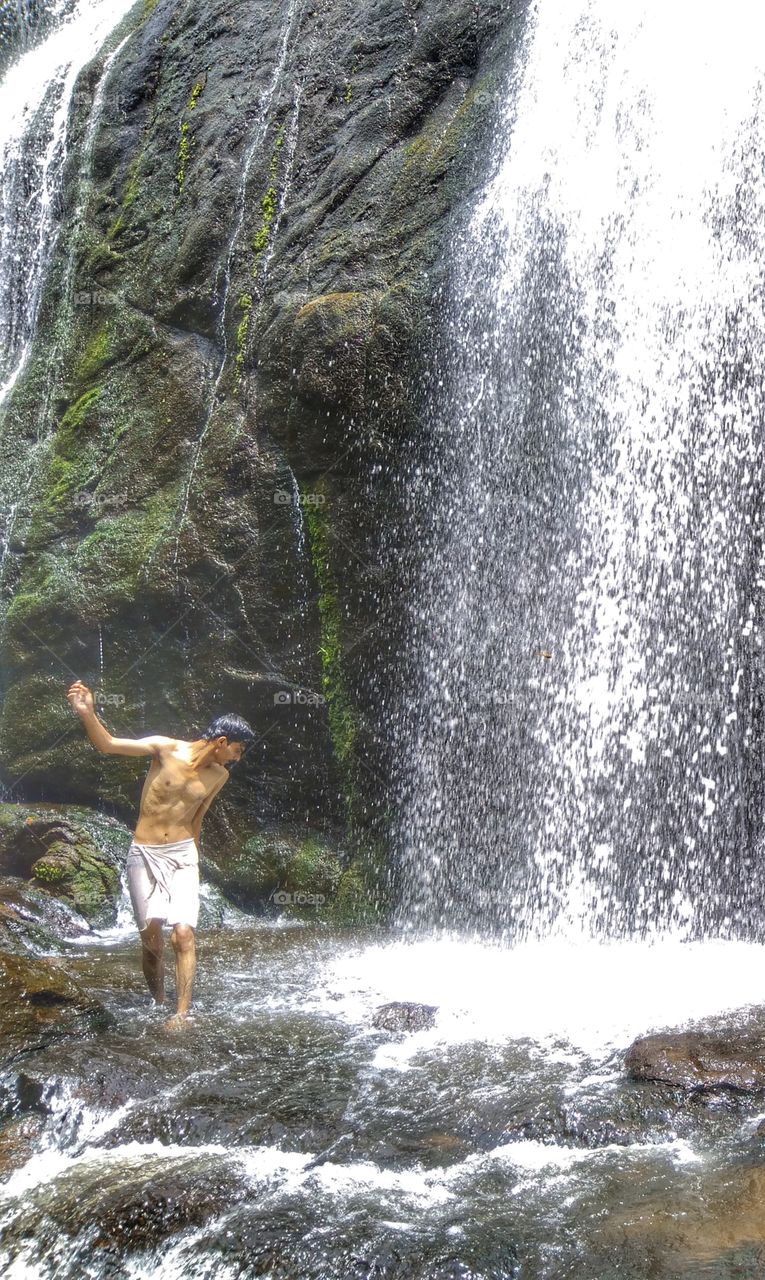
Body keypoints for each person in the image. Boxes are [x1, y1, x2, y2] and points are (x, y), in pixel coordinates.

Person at [66, 680, 255, 1030]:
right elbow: (107, 745)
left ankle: (181, 1013)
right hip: (144, 853)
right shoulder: (164, 748)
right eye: (238, 751)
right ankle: (159, 1001)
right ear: (222, 742)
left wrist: (193, 863)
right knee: (151, 940)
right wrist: (87, 712)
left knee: (182, 934)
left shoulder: (220, 775)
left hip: (182, 854)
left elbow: (198, 819)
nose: (237, 759)